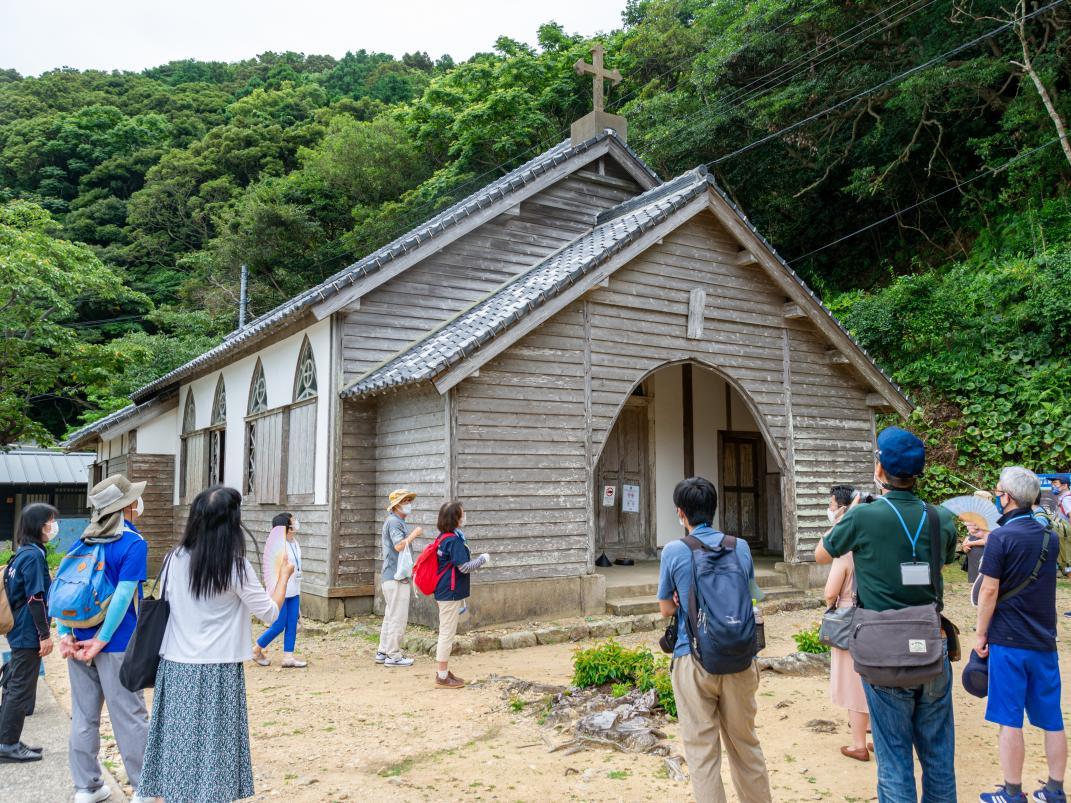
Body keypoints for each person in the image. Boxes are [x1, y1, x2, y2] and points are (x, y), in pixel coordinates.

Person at [816, 427, 959, 803]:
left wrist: (848, 513)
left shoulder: (864, 517)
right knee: (939, 757)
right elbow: (942, 564)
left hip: (882, 648)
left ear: (880, 470)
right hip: (931, 642)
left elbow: (821, 554)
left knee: (894, 758)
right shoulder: (940, 517)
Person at [137, 485, 294, 803]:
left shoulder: (173, 559)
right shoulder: (235, 566)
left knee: (178, 745)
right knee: (214, 746)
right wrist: (283, 578)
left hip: (176, 665)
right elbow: (269, 613)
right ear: (232, 523)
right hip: (217, 669)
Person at [657, 477, 772, 803]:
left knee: (703, 753)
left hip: (692, 658)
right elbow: (752, 594)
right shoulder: (741, 547)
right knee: (745, 745)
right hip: (739, 656)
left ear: (681, 513)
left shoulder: (675, 551)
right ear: (714, 508)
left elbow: (667, 608)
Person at [58, 475, 151, 803]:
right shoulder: (132, 543)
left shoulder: (82, 540)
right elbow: (125, 595)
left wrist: (65, 634)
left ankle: (87, 786)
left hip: (78, 641)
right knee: (129, 715)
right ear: (127, 505)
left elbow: (64, 590)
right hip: (117, 644)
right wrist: (102, 639)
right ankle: (144, 787)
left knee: (84, 715)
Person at [975, 467, 1066, 803]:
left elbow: (989, 591)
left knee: (1009, 717)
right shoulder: (1049, 538)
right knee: (1052, 718)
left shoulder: (1000, 538)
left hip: (1008, 639)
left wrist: (980, 634)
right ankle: (1055, 789)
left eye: (999, 491)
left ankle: (1013, 792)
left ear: (1007, 498)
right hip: (1044, 638)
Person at [0, 503, 56, 763]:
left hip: (18, 628)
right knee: (21, 687)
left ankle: (8, 739)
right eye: (48, 521)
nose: (52, 526)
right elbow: (36, 598)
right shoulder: (33, 556)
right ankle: (7, 744)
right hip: (27, 631)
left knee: (15, 684)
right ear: (37, 525)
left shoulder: (22, 553)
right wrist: (44, 634)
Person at [822, 485, 871, 762]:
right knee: (874, 675)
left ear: (844, 509)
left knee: (853, 682)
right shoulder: (875, 542)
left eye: (831, 504)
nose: (829, 509)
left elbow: (831, 591)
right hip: (876, 615)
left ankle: (858, 744)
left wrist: (830, 603)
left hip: (849, 617)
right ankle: (876, 732)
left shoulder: (845, 550)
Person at [432, 501, 489, 690]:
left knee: (446, 631)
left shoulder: (444, 537)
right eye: (462, 514)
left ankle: (444, 672)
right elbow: (464, 568)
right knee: (447, 633)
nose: (464, 517)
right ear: (455, 518)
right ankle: (441, 676)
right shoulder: (454, 541)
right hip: (450, 592)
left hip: (443, 590)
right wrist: (482, 560)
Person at [375, 489, 423, 668]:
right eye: (406, 500)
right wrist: (414, 534)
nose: (409, 503)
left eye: (410, 500)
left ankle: (383, 651)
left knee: (390, 615)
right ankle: (393, 655)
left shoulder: (393, 521)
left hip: (390, 576)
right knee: (398, 616)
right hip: (396, 577)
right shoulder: (395, 522)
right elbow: (399, 546)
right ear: (396, 505)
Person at [252, 512, 306, 668]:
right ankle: (256, 649)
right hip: (281, 592)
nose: (295, 522)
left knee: (291, 623)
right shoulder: (279, 547)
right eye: (292, 521)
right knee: (278, 625)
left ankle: (288, 656)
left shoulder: (295, 543)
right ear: (286, 527)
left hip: (294, 589)